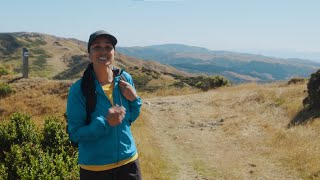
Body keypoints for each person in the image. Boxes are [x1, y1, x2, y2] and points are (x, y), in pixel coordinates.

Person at [66, 30, 142, 180]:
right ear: (89, 54)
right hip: (95, 168)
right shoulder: (79, 90)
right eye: (97, 47)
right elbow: (75, 134)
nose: (103, 51)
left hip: (129, 162)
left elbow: (130, 118)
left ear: (114, 52)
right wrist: (105, 122)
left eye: (108, 47)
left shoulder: (124, 79)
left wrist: (135, 100)